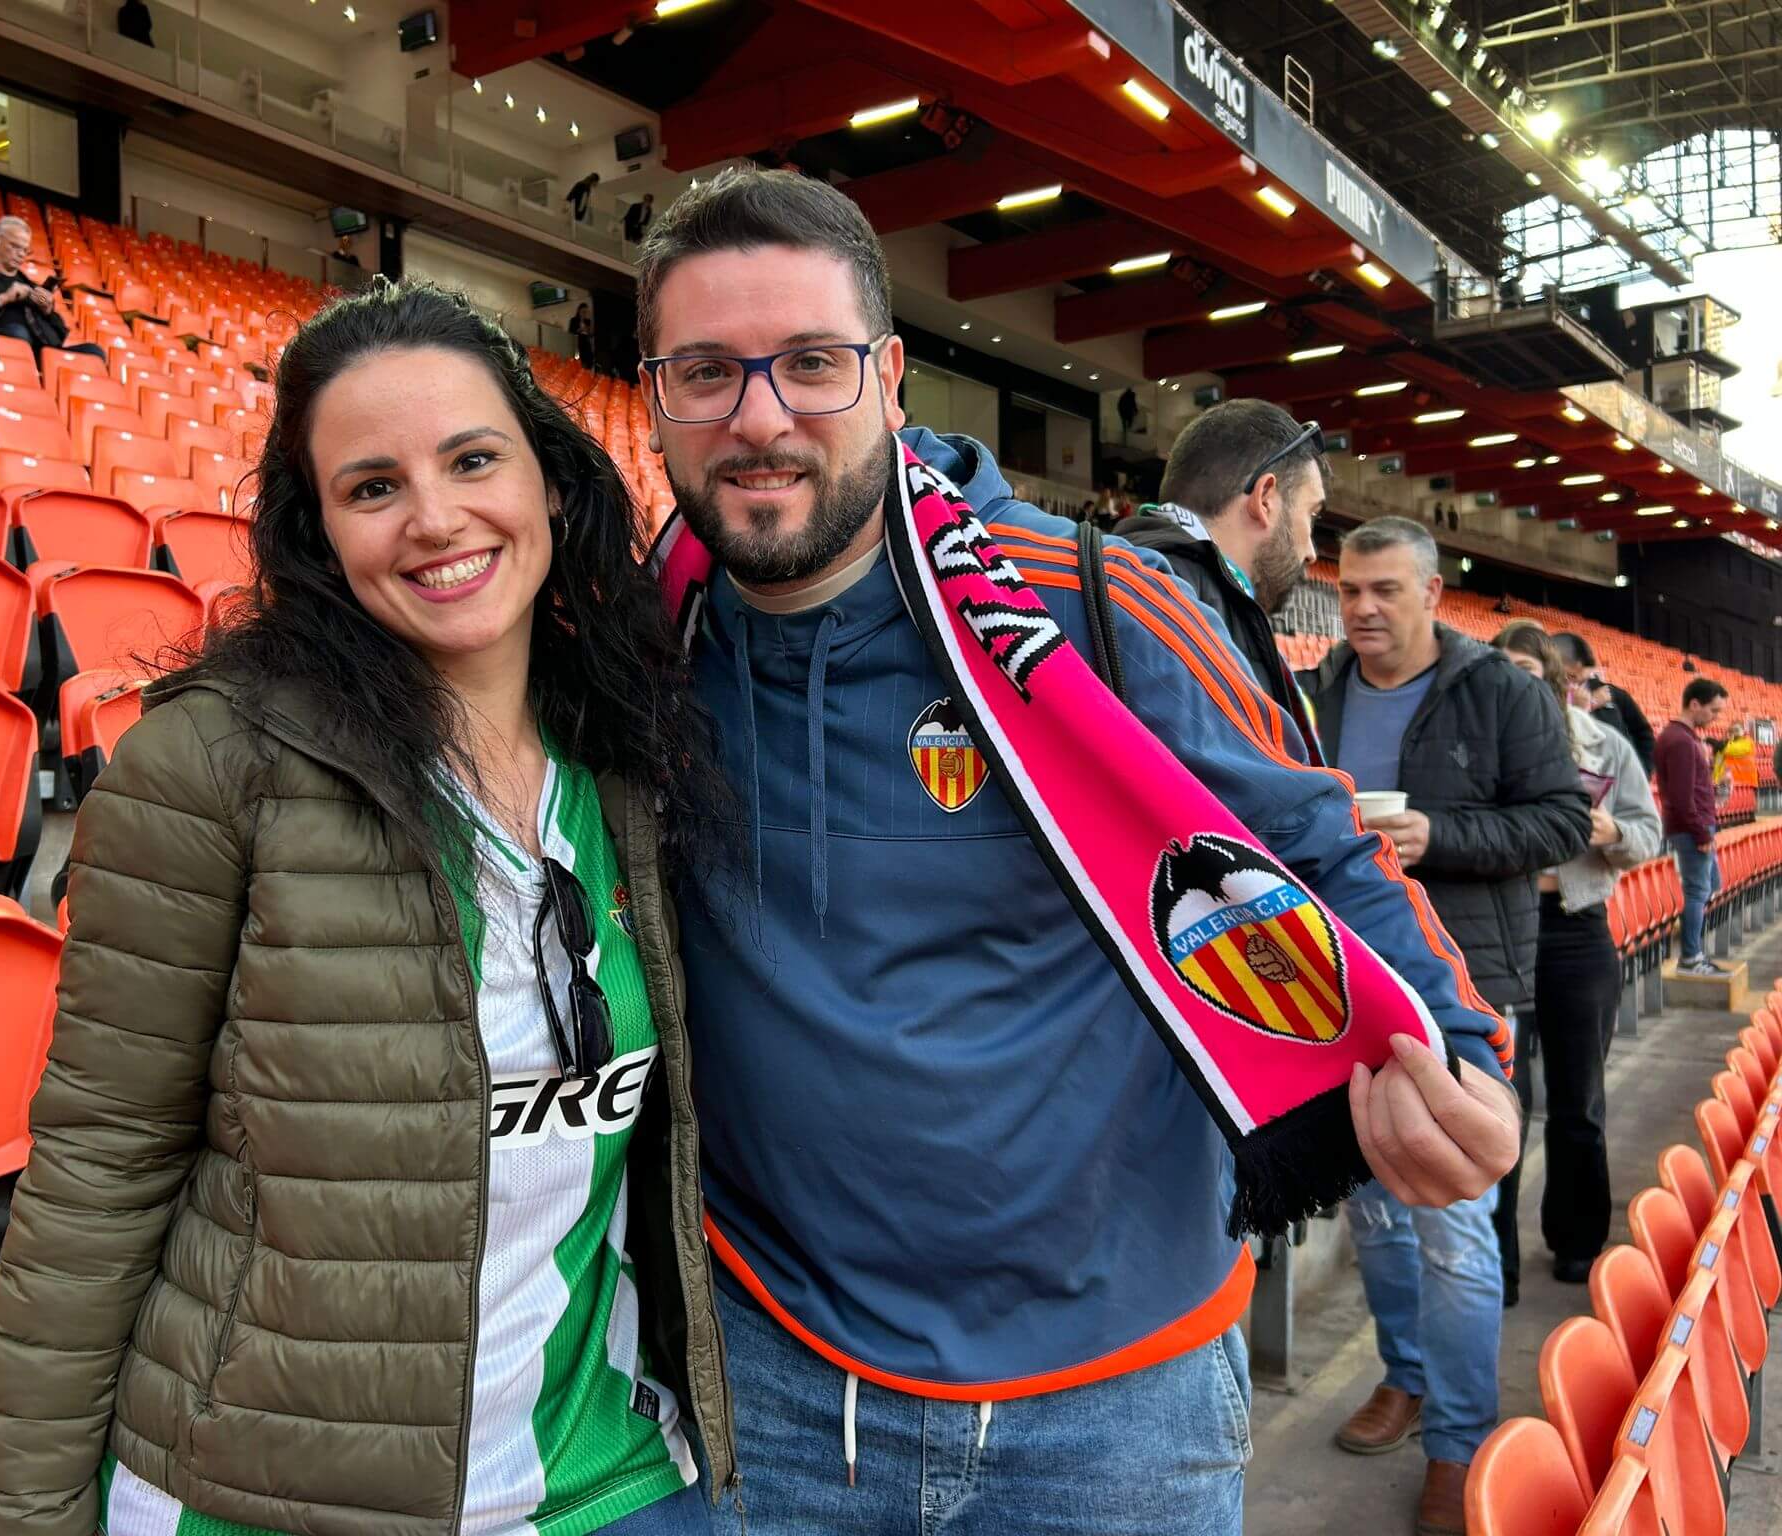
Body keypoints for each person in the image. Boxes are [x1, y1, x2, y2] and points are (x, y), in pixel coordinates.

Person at [634, 164, 1520, 1536]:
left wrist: (1456, 1047)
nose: (761, 418)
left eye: (811, 364)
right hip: (780, 1390)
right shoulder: (643, 644)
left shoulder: (1093, 601)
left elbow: (1313, 844)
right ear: (653, 395)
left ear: (889, 374)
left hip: (1116, 1412)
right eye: (706, 372)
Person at [0, 283, 735, 1535]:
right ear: (318, 535)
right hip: (261, 1498)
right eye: (371, 487)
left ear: (549, 482)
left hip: (607, 1482)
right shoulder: (211, 764)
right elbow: (96, 1174)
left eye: (473, 459)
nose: (434, 518)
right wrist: (22, 1515)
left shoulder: (629, 761)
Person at [1304, 518, 1588, 1534]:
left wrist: (1438, 835)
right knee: (1375, 1213)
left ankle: (1460, 1440)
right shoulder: (1322, 687)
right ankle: (1406, 1376)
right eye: (1348, 592)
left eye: (1384, 590)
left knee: (1455, 1228)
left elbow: (1559, 819)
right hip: (1345, 991)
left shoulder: (1501, 689)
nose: (1364, 610)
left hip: (1458, 986)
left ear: (1431, 593)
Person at [1489, 623, 1659, 1294]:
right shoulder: (1480, 744)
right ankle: (1493, 1259)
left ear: (1554, 678)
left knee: (1577, 1098)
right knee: (1501, 1098)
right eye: (1503, 668)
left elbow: (1647, 833)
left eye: (1527, 668)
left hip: (1577, 925)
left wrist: (1610, 829)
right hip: (1501, 926)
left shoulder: (1604, 745)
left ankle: (1578, 1239)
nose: (1515, 680)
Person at [1114, 398, 1328, 759]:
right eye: (1311, 514)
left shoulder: (1135, 578)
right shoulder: (1183, 605)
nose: (1311, 551)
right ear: (1265, 499)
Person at [0, 216, 109, 365]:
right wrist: (3, 298)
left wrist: (47, 309)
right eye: (15, 246)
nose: (21, 255)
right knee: (17, 332)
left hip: (41, 353)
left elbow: (60, 336)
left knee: (95, 352)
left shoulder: (30, 286)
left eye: (25, 250)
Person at [1658, 677, 1732, 976]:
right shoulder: (1679, 740)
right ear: (1694, 704)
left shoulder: (1684, 739)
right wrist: (1700, 832)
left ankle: (1692, 950)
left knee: (1709, 885)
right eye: (1713, 711)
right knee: (1698, 889)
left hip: (1697, 826)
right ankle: (1690, 957)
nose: (1715, 718)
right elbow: (1680, 797)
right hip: (1693, 829)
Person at [1550, 632, 1653, 776]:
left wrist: (1641, 775)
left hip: (1619, 787)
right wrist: (1580, 710)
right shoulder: (1538, 700)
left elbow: (1643, 733)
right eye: (1570, 677)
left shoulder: (1612, 694)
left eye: (1584, 680)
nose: (1575, 686)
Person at [570, 301, 596, 371]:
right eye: (583, 311)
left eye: (586, 311)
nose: (584, 313)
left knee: (589, 361)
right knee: (578, 361)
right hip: (577, 344)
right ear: (579, 311)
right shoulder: (574, 320)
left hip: (586, 344)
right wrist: (579, 330)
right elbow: (571, 332)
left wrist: (588, 330)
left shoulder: (587, 321)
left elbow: (591, 335)